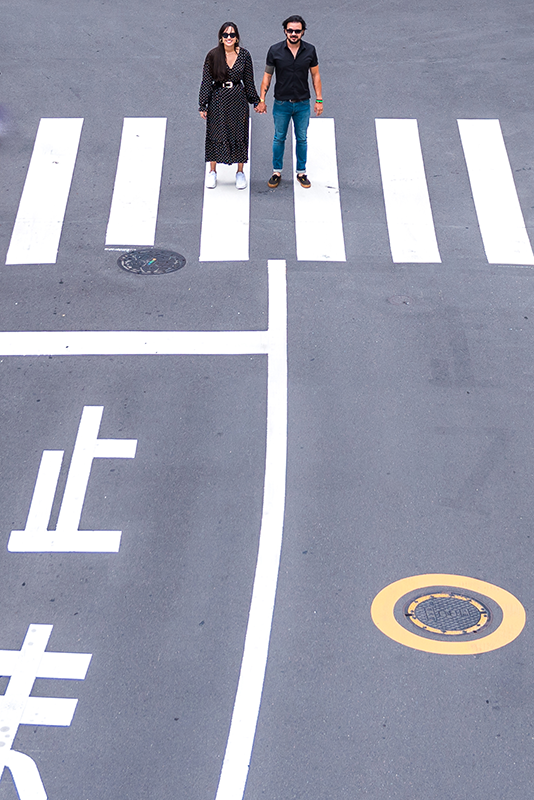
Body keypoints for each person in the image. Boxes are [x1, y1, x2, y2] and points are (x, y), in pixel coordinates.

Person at [256, 15, 323, 189]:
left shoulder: (310, 50)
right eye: (290, 30)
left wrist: (319, 99)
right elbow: (267, 75)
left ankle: (301, 172)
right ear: (285, 31)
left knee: (302, 138)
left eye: (297, 31)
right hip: (282, 104)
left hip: (302, 103)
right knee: (279, 138)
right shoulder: (275, 50)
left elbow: (315, 75)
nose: (294, 34)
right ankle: (276, 172)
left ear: (302, 32)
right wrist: (262, 99)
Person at [199, 22, 261, 189]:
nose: (229, 38)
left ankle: (240, 171)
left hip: (238, 99)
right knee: (215, 133)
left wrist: (256, 100)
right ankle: (212, 171)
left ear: (237, 38)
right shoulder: (213, 55)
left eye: (232, 35)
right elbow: (206, 81)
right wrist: (203, 104)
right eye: (225, 35)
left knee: (239, 133)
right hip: (218, 99)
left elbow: (248, 80)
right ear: (220, 37)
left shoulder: (245, 55)